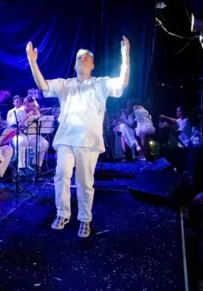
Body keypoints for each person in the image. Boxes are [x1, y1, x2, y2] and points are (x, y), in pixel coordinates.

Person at [27, 36, 130, 237]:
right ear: (75, 65)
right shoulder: (65, 84)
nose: (81, 60)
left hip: (88, 141)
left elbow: (122, 83)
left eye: (85, 58)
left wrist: (125, 57)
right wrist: (32, 61)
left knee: (84, 181)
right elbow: (43, 85)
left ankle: (85, 218)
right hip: (66, 138)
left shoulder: (101, 83)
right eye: (79, 58)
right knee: (61, 174)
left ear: (93, 64)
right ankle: (62, 213)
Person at [11, 95, 49, 175]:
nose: (31, 108)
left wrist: (37, 113)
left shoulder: (35, 110)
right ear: (24, 104)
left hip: (32, 135)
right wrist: (27, 116)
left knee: (44, 144)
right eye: (29, 106)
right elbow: (14, 127)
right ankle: (21, 167)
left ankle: (35, 165)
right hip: (21, 135)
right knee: (21, 142)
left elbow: (41, 124)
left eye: (33, 106)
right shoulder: (18, 112)